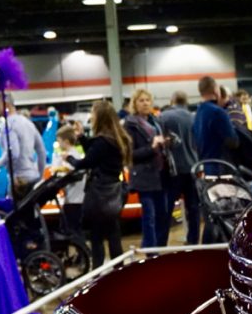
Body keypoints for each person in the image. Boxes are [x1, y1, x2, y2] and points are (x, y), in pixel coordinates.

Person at [67, 100, 130, 268]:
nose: (91, 117)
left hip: (99, 194)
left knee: (96, 237)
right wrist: (82, 137)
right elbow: (95, 153)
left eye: (93, 113)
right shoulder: (115, 138)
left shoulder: (103, 141)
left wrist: (70, 159)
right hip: (113, 192)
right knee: (114, 235)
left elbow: (86, 162)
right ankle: (120, 271)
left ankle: (97, 273)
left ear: (99, 117)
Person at [124, 88, 171, 248]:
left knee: (162, 215)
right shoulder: (130, 125)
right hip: (144, 176)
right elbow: (130, 154)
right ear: (135, 104)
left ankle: (157, 247)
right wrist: (152, 147)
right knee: (149, 216)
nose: (145, 103)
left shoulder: (156, 122)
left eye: (147, 100)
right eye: (141, 100)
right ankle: (151, 251)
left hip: (161, 174)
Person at [159, 90, 201, 245]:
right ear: (186, 101)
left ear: (172, 100)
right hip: (192, 168)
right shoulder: (194, 117)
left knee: (167, 209)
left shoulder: (164, 117)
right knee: (193, 208)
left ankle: (162, 243)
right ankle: (193, 241)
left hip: (173, 170)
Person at [0, 94, 47, 201]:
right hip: (32, 177)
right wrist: (39, 176)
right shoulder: (28, 123)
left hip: (18, 180)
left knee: (18, 215)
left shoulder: (8, 125)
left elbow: (13, 152)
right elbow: (42, 152)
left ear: (5, 104)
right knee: (31, 214)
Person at [193, 75, 238, 170]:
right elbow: (233, 141)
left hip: (204, 166)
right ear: (215, 90)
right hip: (221, 167)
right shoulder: (218, 112)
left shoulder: (198, 113)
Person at [51, 125, 87, 232]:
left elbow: (67, 171)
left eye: (59, 141)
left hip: (74, 199)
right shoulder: (75, 154)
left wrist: (57, 168)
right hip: (74, 198)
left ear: (66, 141)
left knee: (72, 229)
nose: (58, 144)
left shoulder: (71, 155)